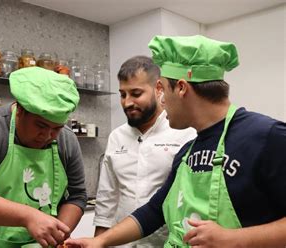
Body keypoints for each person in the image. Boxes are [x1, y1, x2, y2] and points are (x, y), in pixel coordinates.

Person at [66, 35, 286, 247]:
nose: (161, 100)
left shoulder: (267, 136)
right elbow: (155, 210)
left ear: (181, 88)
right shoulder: (188, 151)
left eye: (162, 89)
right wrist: (99, 241)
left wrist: (233, 240)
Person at [0, 66, 87, 247]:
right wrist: (29, 217)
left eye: (56, 128)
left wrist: (56, 235)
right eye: (40, 125)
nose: (47, 136)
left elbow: (76, 196)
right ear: (20, 110)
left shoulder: (67, 140)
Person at [93, 56, 195, 247]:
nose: (127, 102)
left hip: (166, 241)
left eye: (136, 93)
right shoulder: (117, 136)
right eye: (123, 95)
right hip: (122, 243)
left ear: (159, 89)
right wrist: (98, 241)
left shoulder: (184, 133)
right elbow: (107, 197)